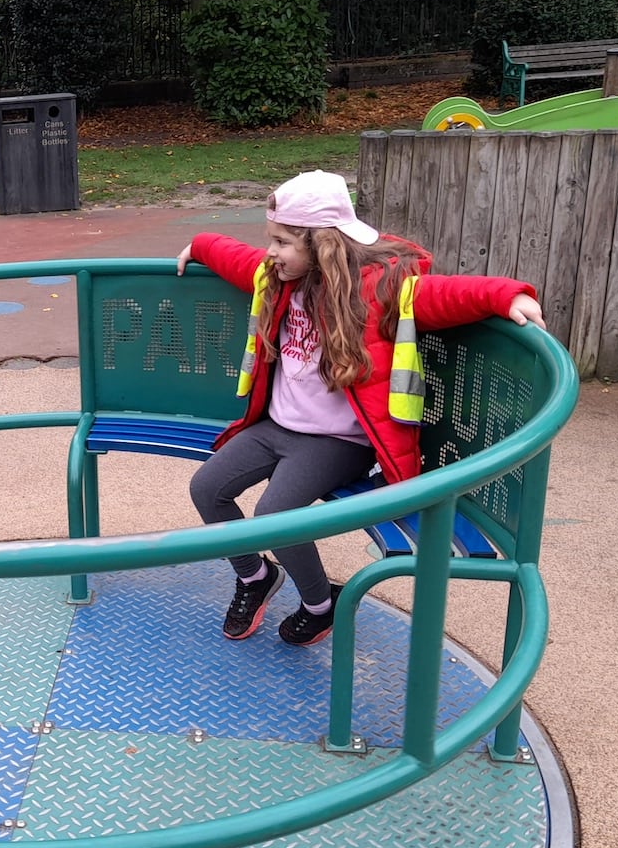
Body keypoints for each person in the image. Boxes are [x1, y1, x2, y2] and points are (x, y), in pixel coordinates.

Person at [176, 169, 545, 645]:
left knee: (274, 515)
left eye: (283, 242)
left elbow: (446, 295)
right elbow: (236, 257)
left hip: (337, 441)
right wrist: (200, 244)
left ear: (321, 245)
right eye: (272, 239)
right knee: (207, 488)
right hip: (278, 427)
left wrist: (507, 295)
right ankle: (254, 576)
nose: (271, 251)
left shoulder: (379, 290)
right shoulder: (280, 278)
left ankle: (320, 605)